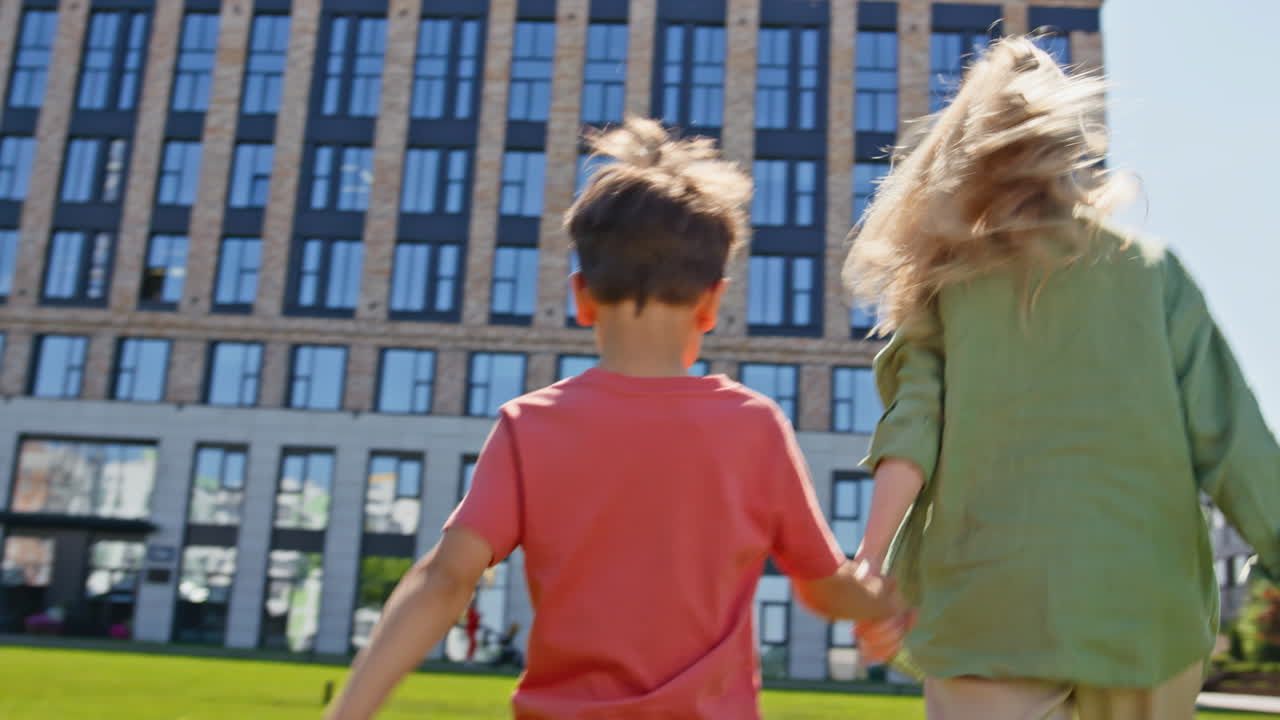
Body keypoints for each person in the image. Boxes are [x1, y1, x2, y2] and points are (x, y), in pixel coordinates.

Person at [324, 117, 908, 720]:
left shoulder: (530, 426)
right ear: (712, 301)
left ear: (580, 296)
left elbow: (445, 581)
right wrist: (879, 603)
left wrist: (347, 713)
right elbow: (823, 585)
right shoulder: (754, 426)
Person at [845, 35, 1280, 720]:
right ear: (1069, 145)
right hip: (1143, 612)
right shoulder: (1151, 272)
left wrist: (869, 563)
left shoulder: (949, 283)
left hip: (989, 610)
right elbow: (1235, 441)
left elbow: (913, 427)